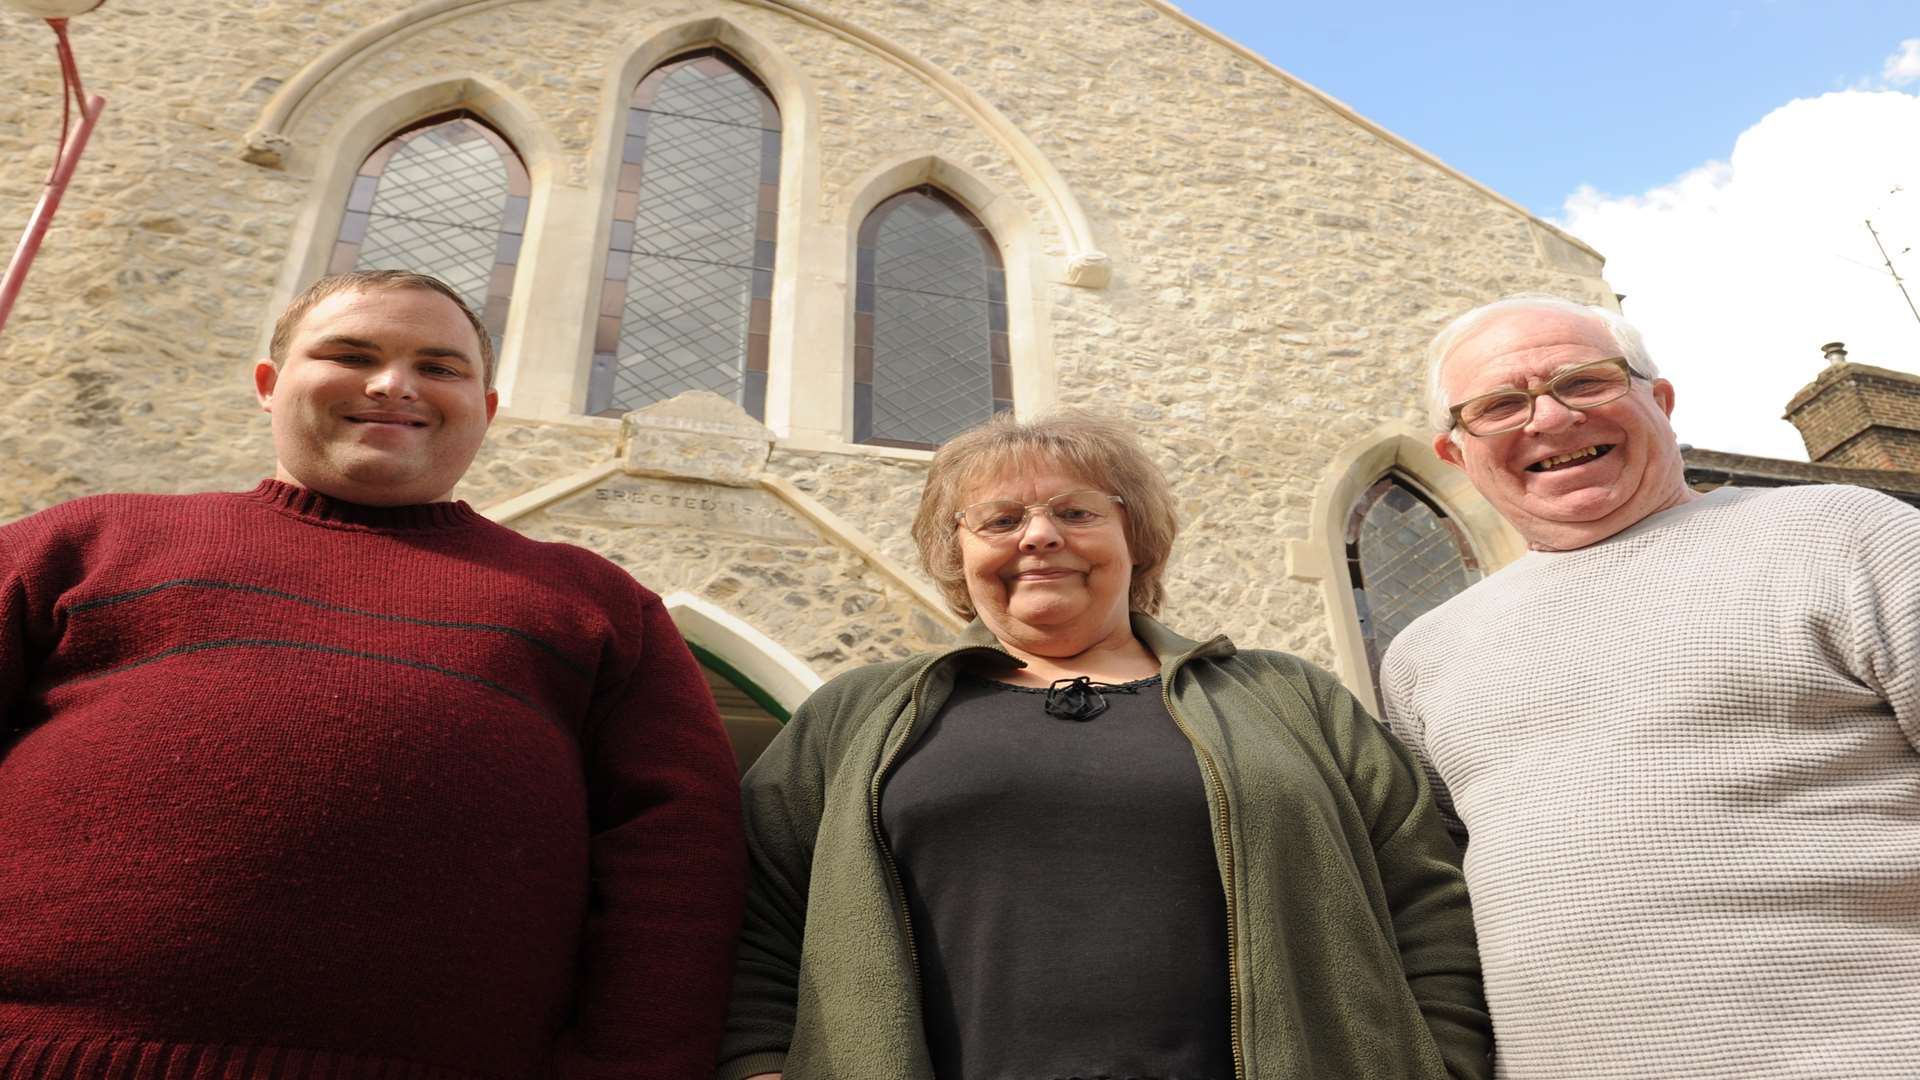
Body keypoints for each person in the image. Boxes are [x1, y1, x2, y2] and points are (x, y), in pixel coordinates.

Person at [0, 270, 744, 1078]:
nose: (394, 385)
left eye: (440, 367)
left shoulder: (599, 607)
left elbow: (678, 861)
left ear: (487, 408)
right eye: (351, 354)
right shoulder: (82, 544)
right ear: (269, 384)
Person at [719, 412, 1490, 1080]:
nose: (1041, 535)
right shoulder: (854, 716)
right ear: (957, 552)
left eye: (1077, 512)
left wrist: (1441, 1060)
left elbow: (1423, 889)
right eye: (999, 519)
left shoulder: (1291, 698)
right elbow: (754, 916)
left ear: (1135, 538)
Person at [1383, 293, 1920, 1078]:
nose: (1550, 418)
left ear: (1659, 401)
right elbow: (1443, 913)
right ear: (1456, 453)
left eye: (1585, 382)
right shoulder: (1422, 656)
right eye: (1501, 405)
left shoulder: (1846, 535)